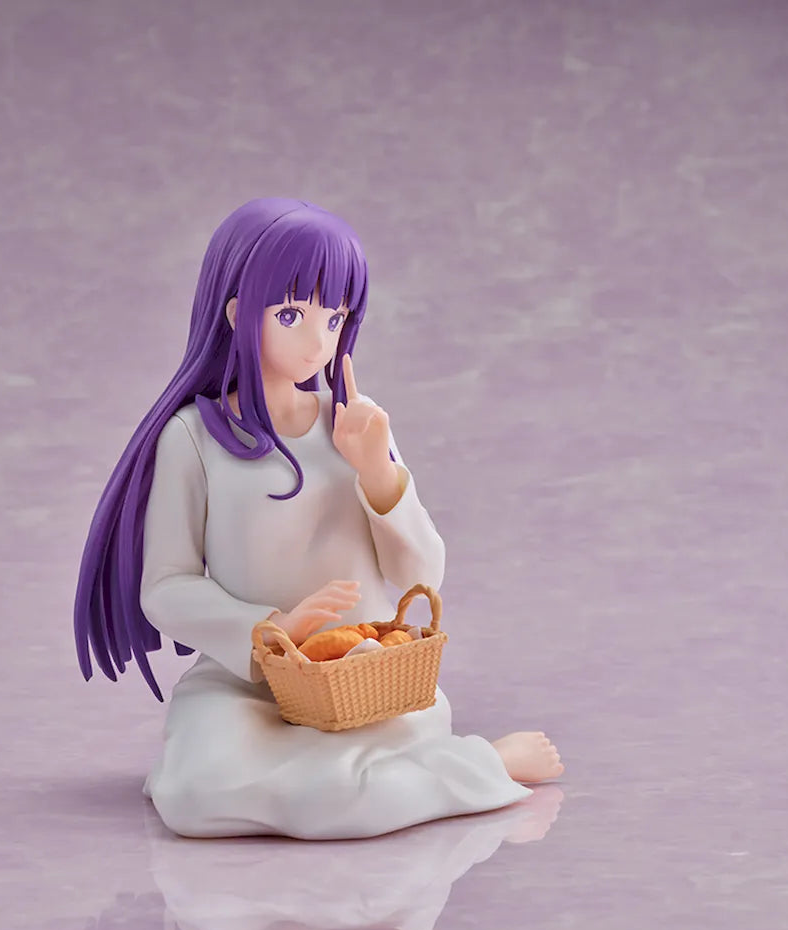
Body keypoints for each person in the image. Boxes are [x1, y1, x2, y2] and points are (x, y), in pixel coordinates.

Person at [74, 198, 562, 839]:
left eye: (334, 319)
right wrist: (271, 629)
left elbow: (422, 575)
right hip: (248, 685)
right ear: (237, 314)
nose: (317, 343)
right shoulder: (193, 437)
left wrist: (377, 472)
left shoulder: (354, 422)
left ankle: (485, 763)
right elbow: (165, 587)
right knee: (193, 796)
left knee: (343, 798)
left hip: (365, 681)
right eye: (291, 315)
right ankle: (450, 775)